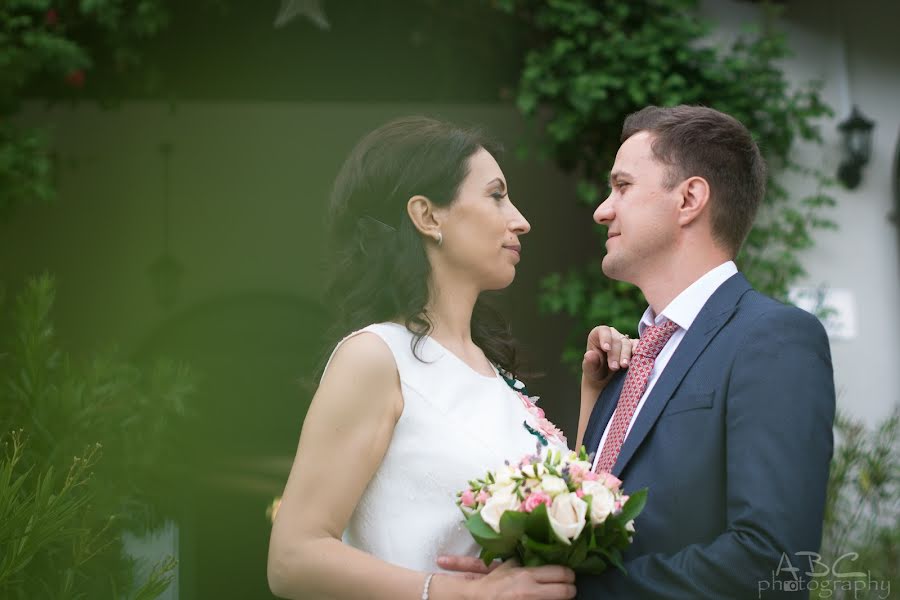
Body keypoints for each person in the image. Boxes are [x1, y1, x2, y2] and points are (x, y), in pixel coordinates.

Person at [440, 105, 836, 598]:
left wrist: (573, 592)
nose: (602, 210)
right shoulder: (626, 364)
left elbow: (773, 560)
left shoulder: (773, 339)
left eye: (622, 187)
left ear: (689, 198)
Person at [266, 116, 632, 600]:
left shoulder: (495, 374)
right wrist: (460, 594)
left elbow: (551, 535)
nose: (521, 220)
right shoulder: (375, 357)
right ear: (428, 216)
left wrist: (597, 393)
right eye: (497, 195)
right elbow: (293, 557)